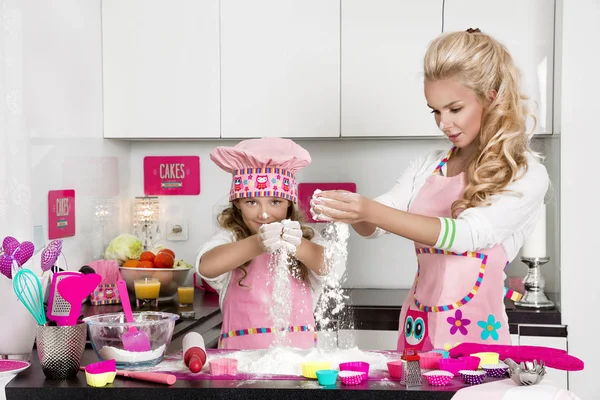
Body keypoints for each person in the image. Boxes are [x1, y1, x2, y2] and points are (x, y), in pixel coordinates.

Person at [311, 29, 550, 352]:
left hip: (478, 342)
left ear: (491, 97)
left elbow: (468, 235)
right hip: (416, 329)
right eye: (435, 111)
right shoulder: (429, 166)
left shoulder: (524, 173)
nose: (443, 123)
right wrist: (350, 210)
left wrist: (367, 209)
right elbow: (375, 226)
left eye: (454, 109)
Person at [196, 137, 328, 350]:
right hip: (239, 365)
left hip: (299, 364)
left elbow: (330, 267)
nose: (264, 213)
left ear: (289, 203)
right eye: (251, 202)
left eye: (275, 202)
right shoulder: (232, 238)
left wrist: (298, 245)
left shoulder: (306, 236)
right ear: (238, 204)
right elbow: (206, 267)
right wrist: (257, 244)